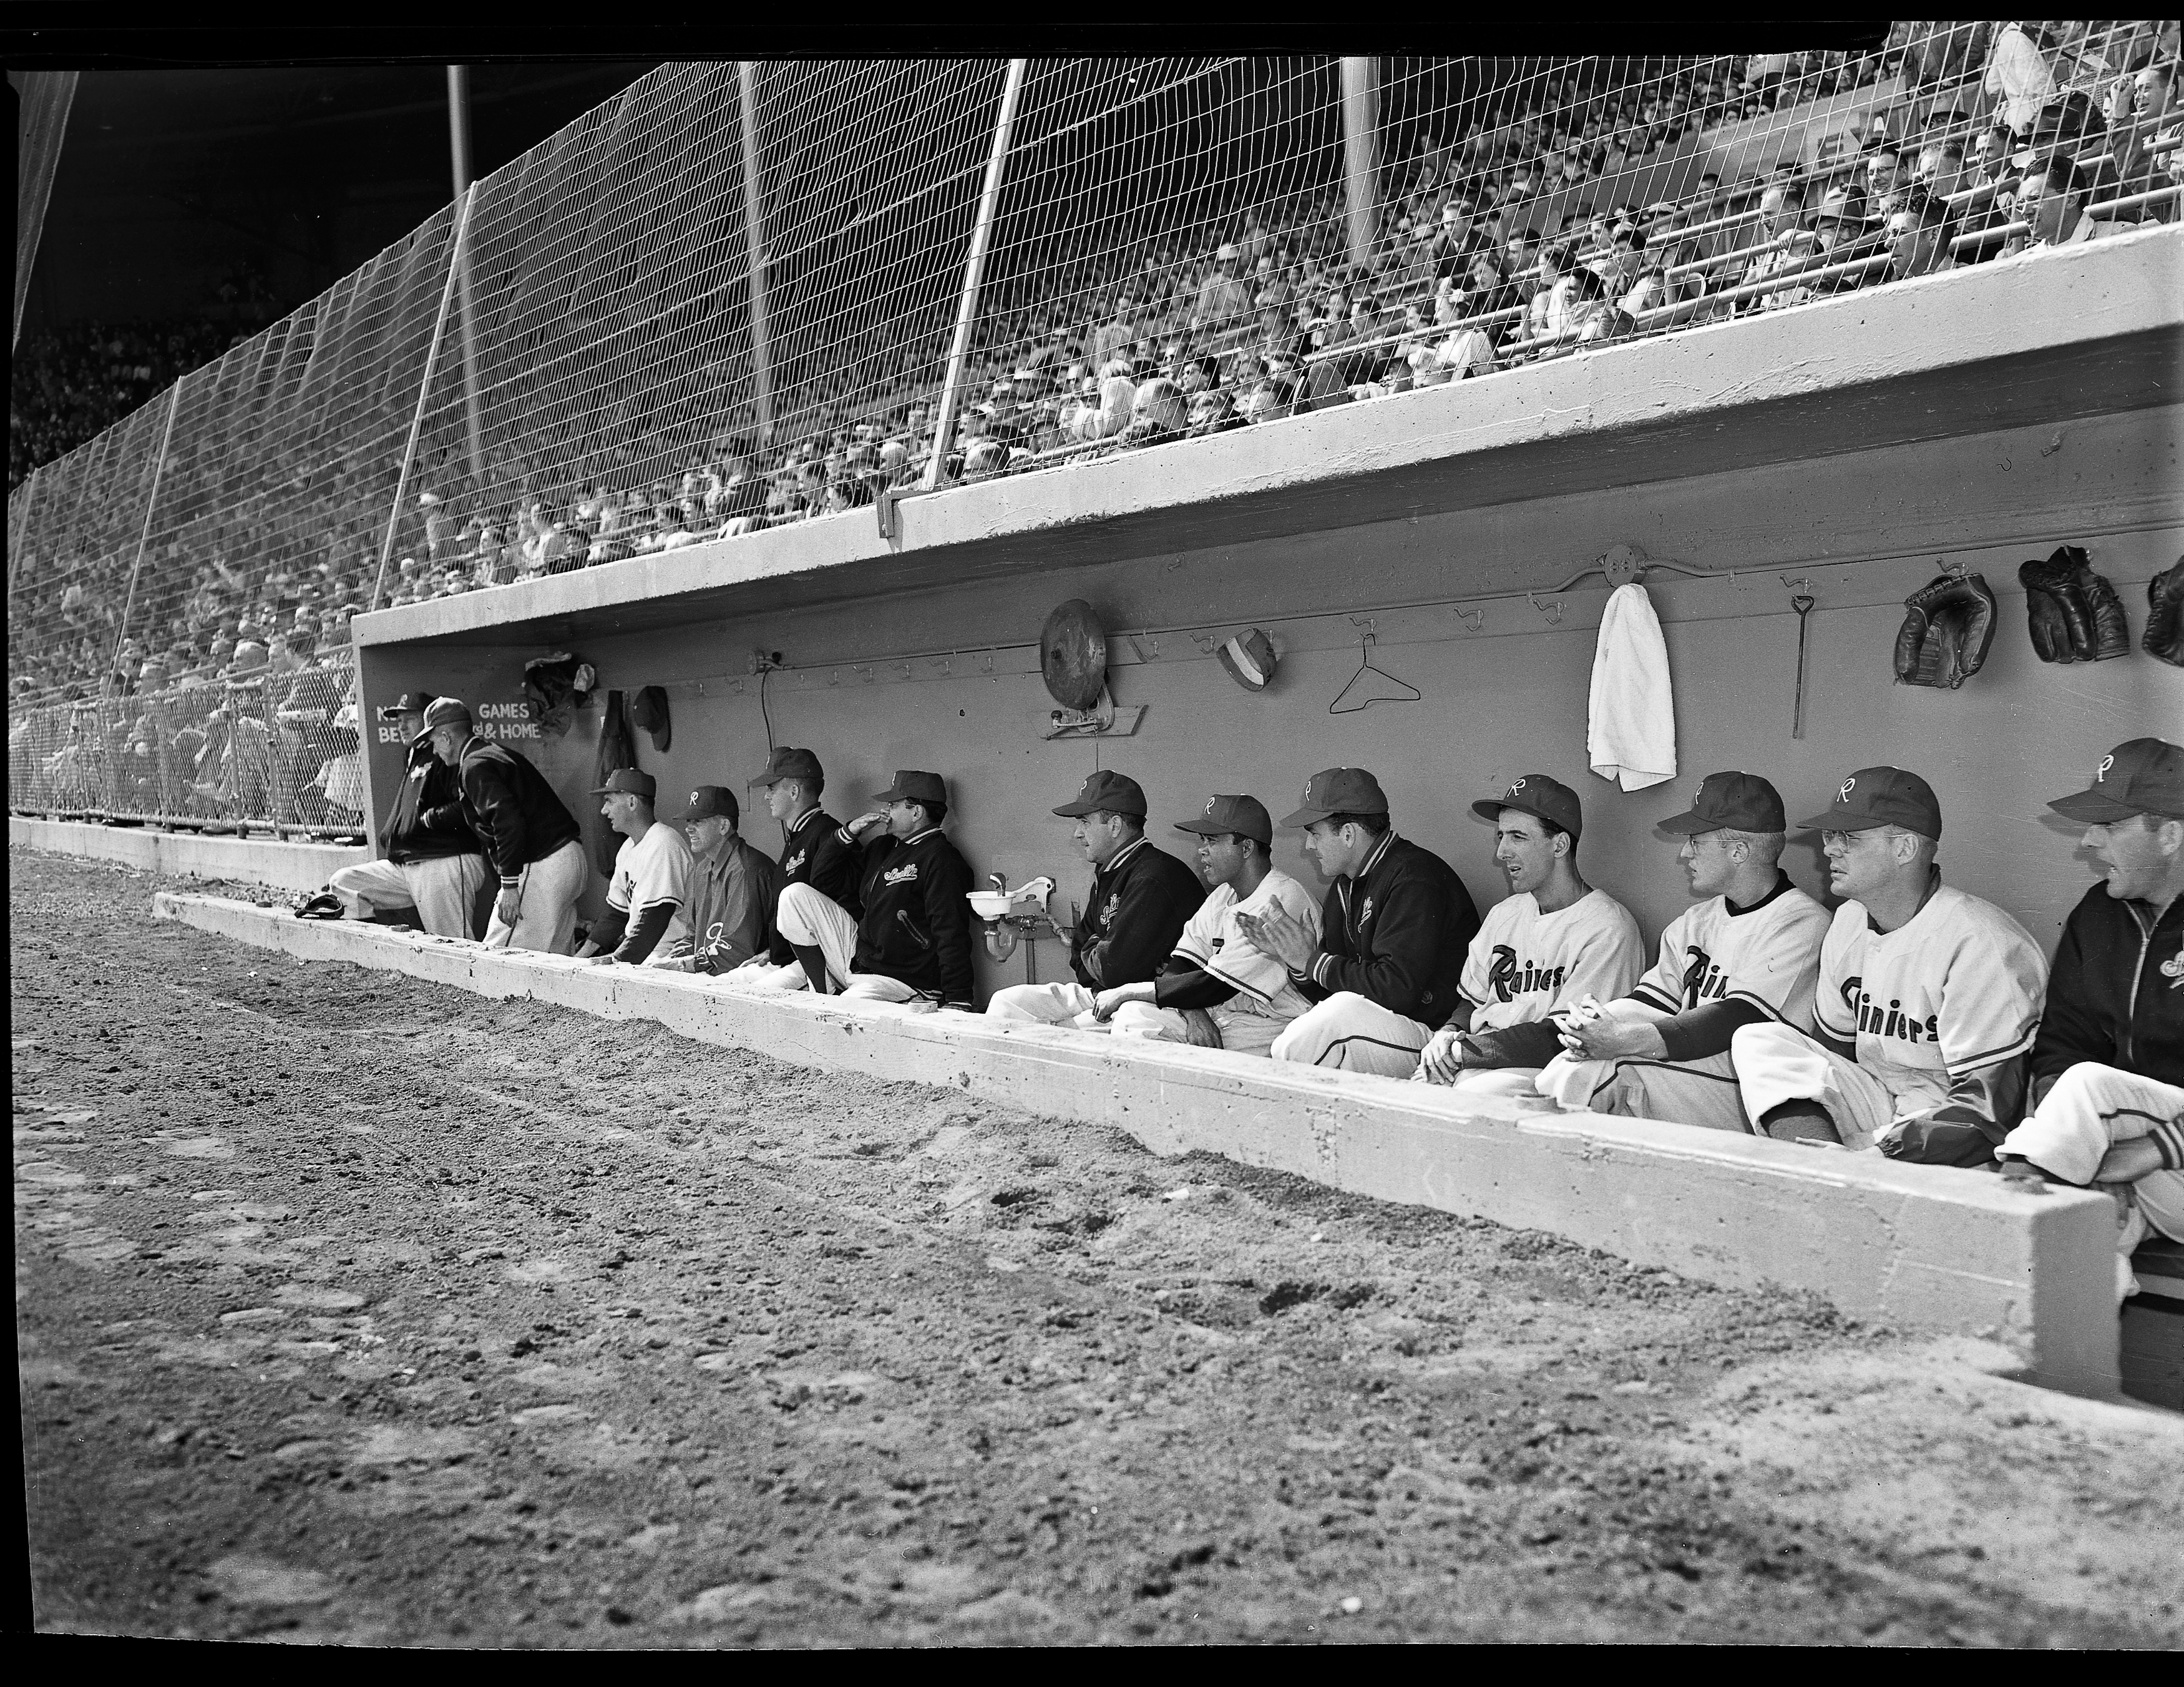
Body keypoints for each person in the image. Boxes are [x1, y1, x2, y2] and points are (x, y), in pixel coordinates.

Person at [1727, 767, 2047, 1163]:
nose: (1830, 850)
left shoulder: (1981, 942)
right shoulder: (1848, 920)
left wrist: (1880, 1152)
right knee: (1759, 1039)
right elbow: (1835, 1050)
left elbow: (1989, 1112)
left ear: (1905, 849)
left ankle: (1839, 1174)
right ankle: (1818, 1167)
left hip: (1954, 1128)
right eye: (1831, 835)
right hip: (1882, 1100)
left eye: (1849, 837)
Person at [1536, 772, 1831, 1131]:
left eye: (1695, 842)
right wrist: (1595, 1026)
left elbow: (1734, 1018)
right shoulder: (1697, 920)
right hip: (1691, 1070)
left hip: (1753, 1093)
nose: (1684, 853)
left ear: (1739, 851)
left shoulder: (1801, 922)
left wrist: (1622, 1040)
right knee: (1581, 1063)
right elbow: (1649, 1004)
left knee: (1607, 1071)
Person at [1996, 740, 2184, 1295]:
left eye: (2109, 824)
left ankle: (2004, 1208)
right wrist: (2098, 1158)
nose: (2088, 840)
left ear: (2170, 833)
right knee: (2079, 1250)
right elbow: (2062, 1044)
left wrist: (2145, 1151)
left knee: (2088, 1088)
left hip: (2159, 1152)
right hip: (2159, 1180)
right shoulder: (2099, 913)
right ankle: (2063, 1375)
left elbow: (2085, 1082)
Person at [1415, 775, 1645, 1094]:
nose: (1502, 852)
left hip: (1551, 1069)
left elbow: (1567, 1036)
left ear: (1560, 845)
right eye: (1501, 836)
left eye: (1518, 837)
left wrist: (1465, 1052)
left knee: (1467, 1097)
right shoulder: (1505, 913)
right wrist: (1448, 1032)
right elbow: (1472, 1000)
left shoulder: (1608, 927)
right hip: (1480, 1052)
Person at [1253, 768, 1481, 1076]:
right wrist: (1299, 962)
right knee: (1313, 1030)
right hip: (1383, 1028)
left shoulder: (1414, 876)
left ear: (1348, 834)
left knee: (1308, 1039)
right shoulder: (1345, 885)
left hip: (1436, 1039)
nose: (1309, 845)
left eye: (1314, 833)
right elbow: (1332, 991)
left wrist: (1314, 961)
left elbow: (1397, 991)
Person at [1089, 792, 1323, 1056]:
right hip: (1225, 1011)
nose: (1201, 849)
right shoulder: (1224, 894)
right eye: (1202, 840)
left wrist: (1129, 991)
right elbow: (1180, 967)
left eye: (1212, 841)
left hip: (1279, 1024)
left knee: (1136, 1020)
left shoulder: (1280, 899)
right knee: (1132, 1016)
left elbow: (1215, 986)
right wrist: (1196, 1015)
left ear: (1246, 849)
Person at [985, 769, 1204, 1029]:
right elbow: (1080, 956)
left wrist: (1093, 947)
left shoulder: (1154, 877)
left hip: (1144, 1003)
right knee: (1007, 1003)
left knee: (1063, 1032)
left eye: (1085, 822)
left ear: (1114, 826)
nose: (1077, 834)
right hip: (1101, 994)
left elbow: (1115, 972)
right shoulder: (1111, 869)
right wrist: (1096, 947)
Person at [774, 769, 975, 1010]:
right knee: (794, 894)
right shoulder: (884, 847)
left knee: (844, 1011)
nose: (886, 811)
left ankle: (844, 1000)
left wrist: (958, 998)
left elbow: (951, 931)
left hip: (904, 978)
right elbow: (824, 881)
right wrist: (847, 834)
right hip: (861, 959)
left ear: (917, 812)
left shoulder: (941, 859)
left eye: (893, 804)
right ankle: (822, 992)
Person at [423, 696, 588, 955]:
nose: (435, 751)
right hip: (569, 859)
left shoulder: (474, 764)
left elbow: (507, 821)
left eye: (434, 742)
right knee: (556, 964)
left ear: (446, 737)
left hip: (541, 864)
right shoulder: (491, 753)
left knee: (496, 959)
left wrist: (509, 886)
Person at [326, 689, 487, 936]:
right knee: (345, 882)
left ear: (428, 721)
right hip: (407, 864)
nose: (402, 726)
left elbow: (470, 804)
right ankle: (372, 953)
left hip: (443, 860)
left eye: (409, 719)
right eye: (398, 721)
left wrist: (429, 820)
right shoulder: (414, 756)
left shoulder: (443, 752)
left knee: (453, 944)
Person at [721, 747, 863, 991]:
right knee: (716, 987)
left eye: (771, 788)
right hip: (785, 959)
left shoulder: (828, 835)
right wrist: (772, 950)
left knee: (748, 998)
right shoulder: (798, 836)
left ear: (794, 791)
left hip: (821, 964)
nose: (767, 797)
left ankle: (822, 990)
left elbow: (839, 913)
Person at [651, 784, 782, 975]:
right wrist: (671, 960)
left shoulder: (747, 869)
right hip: (716, 967)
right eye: (689, 821)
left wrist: (683, 965)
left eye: (698, 821)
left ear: (723, 826)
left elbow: (737, 951)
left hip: (755, 968)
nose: (689, 828)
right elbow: (694, 938)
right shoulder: (703, 868)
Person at [574, 769, 691, 966]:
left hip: (669, 954)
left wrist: (617, 961)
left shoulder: (664, 844)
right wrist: (580, 958)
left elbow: (654, 920)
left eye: (609, 801)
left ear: (632, 802)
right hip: (644, 951)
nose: (604, 810)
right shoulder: (629, 846)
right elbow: (616, 913)